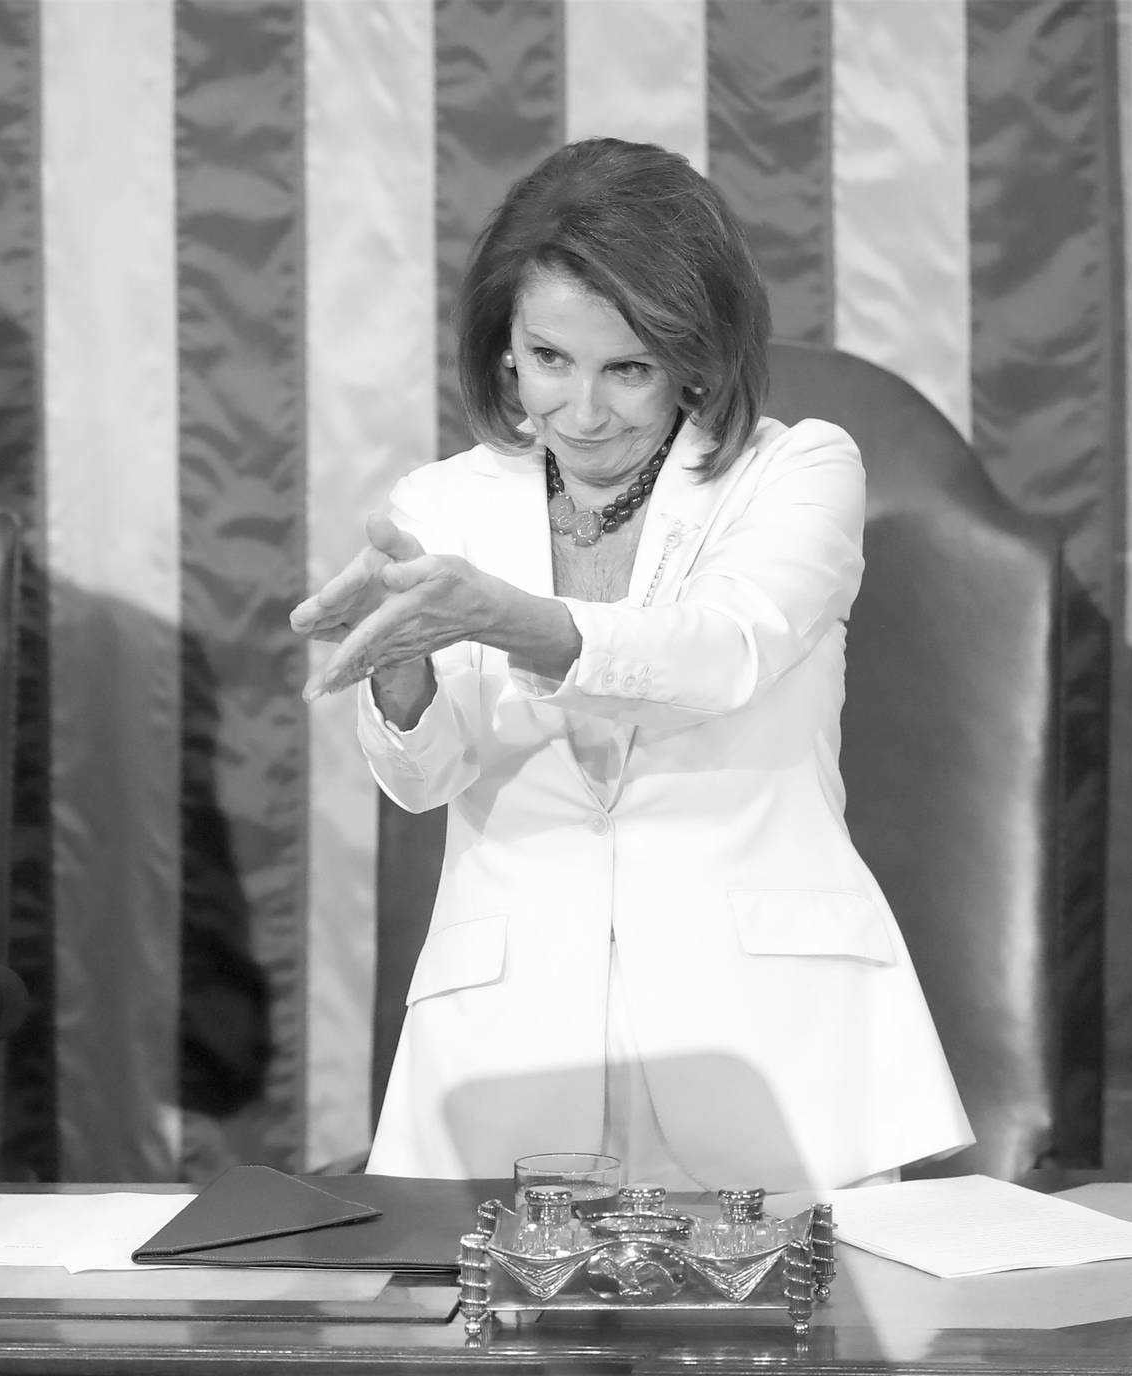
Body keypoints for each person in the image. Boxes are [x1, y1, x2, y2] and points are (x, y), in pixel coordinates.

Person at [290, 138, 972, 1192]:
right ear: (503, 346)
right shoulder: (442, 503)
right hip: (506, 1051)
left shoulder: (794, 470)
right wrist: (399, 671)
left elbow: (720, 652)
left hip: (769, 1048)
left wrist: (509, 617)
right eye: (548, 358)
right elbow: (424, 778)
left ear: (694, 355)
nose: (582, 409)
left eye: (628, 368)